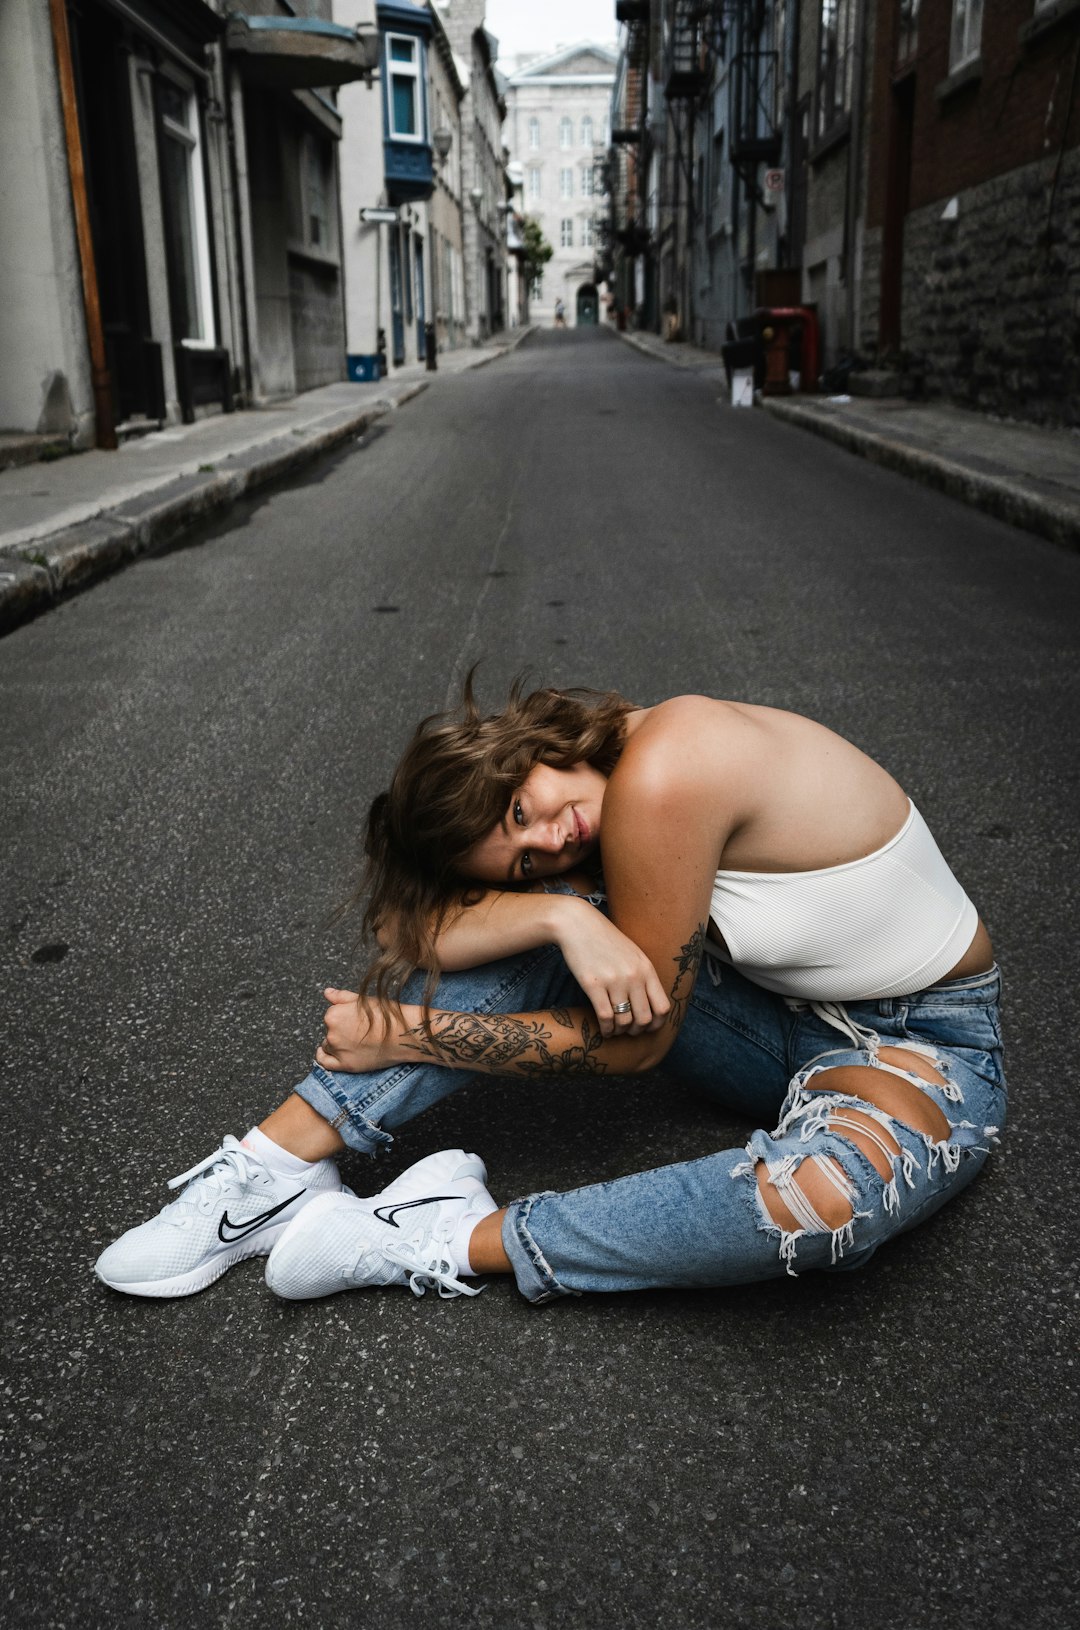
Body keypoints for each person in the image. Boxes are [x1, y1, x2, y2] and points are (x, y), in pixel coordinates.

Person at [96, 680, 1004, 1305]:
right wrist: (559, 918)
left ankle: (442, 1234)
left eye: (519, 808)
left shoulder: (665, 768)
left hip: (916, 1044)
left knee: (821, 1205)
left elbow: (637, 1044)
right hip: (769, 1019)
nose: (554, 835)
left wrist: (415, 1032)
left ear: (524, 748)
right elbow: (401, 930)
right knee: (561, 905)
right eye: (522, 849)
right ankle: (276, 1170)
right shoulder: (595, 810)